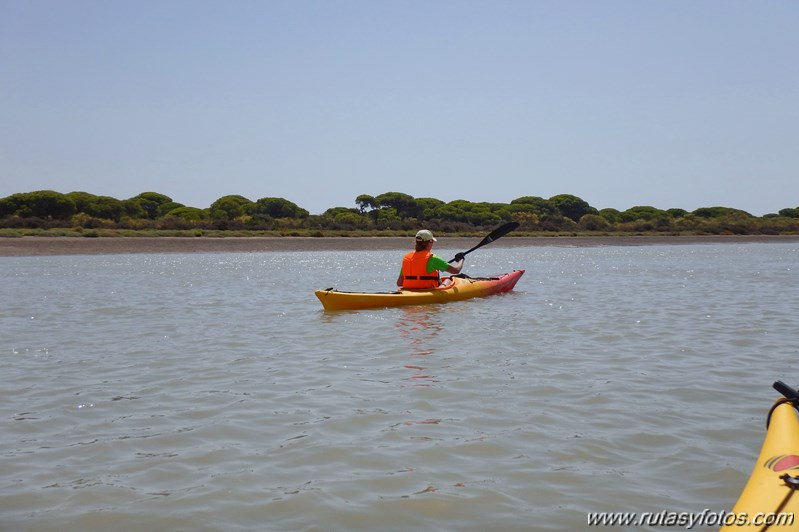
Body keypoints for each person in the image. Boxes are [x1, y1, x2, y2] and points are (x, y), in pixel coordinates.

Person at [396, 230, 465, 289]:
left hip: (408, 290)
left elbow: (399, 283)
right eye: (432, 242)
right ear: (430, 242)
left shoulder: (407, 258)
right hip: (427, 290)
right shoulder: (433, 259)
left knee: (440, 280)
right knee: (448, 280)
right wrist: (461, 260)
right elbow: (456, 271)